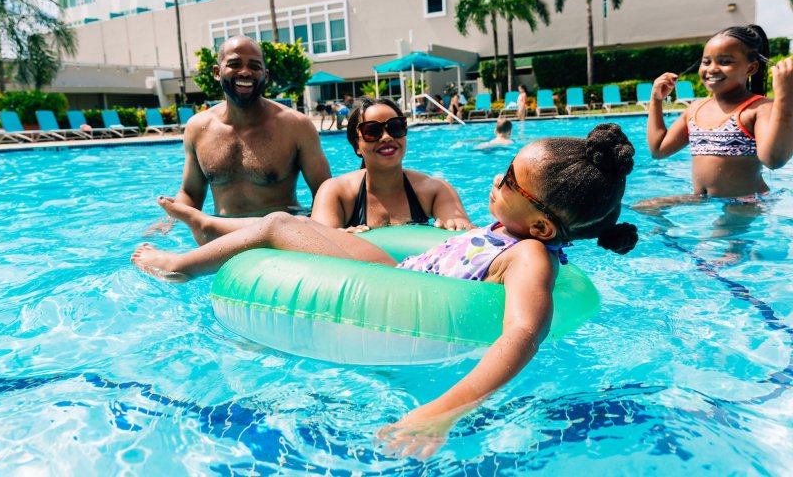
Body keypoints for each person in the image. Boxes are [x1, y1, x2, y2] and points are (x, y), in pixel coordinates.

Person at [131, 123, 638, 458]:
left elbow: (523, 332)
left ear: (544, 227)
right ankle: (201, 231)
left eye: (510, 180)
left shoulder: (529, 256)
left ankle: (178, 265)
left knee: (278, 224)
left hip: (406, 295)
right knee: (287, 229)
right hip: (401, 270)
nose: (496, 180)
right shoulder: (510, 231)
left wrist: (443, 411)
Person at [168, 36, 331, 240]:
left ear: (265, 75)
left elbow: (326, 192)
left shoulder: (295, 126)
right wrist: (170, 220)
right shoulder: (198, 128)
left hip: (283, 237)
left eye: (254, 66)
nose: (245, 72)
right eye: (234, 64)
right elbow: (191, 192)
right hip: (223, 236)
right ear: (217, 72)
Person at [638, 24, 793, 209]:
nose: (712, 69)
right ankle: (671, 240)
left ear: (751, 68)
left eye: (725, 62)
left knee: (718, 235)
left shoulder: (758, 108)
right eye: (706, 61)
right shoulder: (696, 108)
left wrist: (785, 95)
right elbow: (659, 150)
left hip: (746, 201)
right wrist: (656, 100)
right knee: (645, 207)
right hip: (704, 200)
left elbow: (774, 160)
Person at [312, 96, 472, 231]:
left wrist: (454, 228)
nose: (387, 137)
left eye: (395, 127)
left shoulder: (435, 190)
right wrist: (341, 239)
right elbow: (317, 249)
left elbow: (468, 238)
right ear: (357, 146)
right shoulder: (336, 192)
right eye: (372, 131)